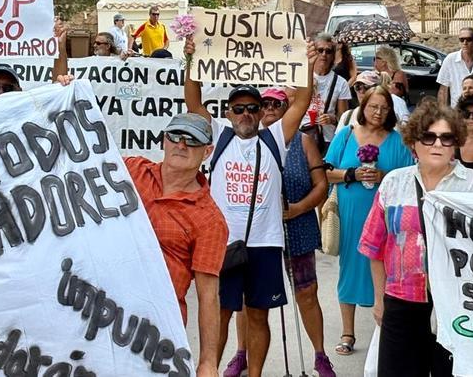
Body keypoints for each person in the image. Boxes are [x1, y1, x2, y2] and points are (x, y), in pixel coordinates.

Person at [184, 37, 315, 377]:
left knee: (258, 314)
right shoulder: (218, 134)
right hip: (222, 244)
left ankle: (254, 375)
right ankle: (209, 369)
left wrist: (308, 63)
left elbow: (301, 101)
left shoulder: (275, 139)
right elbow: (193, 100)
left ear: (260, 112)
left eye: (252, 108)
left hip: (266, 243)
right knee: (220, 314)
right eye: (238, 108)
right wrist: (192, 60)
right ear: (228, 112)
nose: (245, 114)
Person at [361, 99, 473, 377]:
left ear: (456, 142)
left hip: (455, 304)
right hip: (401, 301)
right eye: (429, 137)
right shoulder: (394, 182)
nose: (437, 144)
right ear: (414, 143)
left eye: (446, 137)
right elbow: (374, 247)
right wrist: (380, 301)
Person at [225, 88, 334, 377]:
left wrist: (299, 208)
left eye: (277, 103)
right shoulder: (245, 140)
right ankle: (242, 352)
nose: (271, 108)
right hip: (259, 231)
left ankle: (320, 355)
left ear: (287, 107)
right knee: (250, 302)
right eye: (266, 103)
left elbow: (321, 184)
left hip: (295, 224)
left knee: (307, 292)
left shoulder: (302, 140)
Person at [124, 113, 226, 377]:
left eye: (192, 140)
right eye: (175, 136)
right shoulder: (132, 170)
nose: (181, 144)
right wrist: (64, 91)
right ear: (164, 141)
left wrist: (208, 362)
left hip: (154, 334)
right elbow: (79, 161)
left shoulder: (210, 220)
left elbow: (208, 296)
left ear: (207, 151)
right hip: (95, 311)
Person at [322, 85, 413, 357]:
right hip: (351, 211)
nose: (378, 112)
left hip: (385, 214)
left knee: (387, 268)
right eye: (374, 106)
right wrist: (352, 174)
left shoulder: (397, 141)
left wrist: (384, 175)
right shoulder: (346, 135)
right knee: (349, 266)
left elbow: (409, 177)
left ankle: (384, 327)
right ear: (363, 107)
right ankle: (347, 332)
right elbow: (325, 173)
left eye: (385, 108)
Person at [308, 32, 351, 152]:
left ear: (333, 55)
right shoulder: (302, 76)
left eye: (328, 51)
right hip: (303, 134)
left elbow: (344, 118)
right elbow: (288, 102)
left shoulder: (340, 83)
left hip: (326, 139)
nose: (324, 54)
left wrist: (332, 119)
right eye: (320, 50)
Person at [336, 70, 408, 131]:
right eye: (358, 87)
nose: (362, 91)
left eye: (367, 87)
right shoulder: (347, 116)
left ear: (377, 89)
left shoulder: (388, 116)